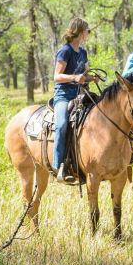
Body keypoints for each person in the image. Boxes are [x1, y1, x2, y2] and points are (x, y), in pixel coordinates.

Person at [52, 17, 98, 183]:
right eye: (87, 30)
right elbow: (56, 77)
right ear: (79, 31)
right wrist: (74, 77)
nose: (88, 33)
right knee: (62, 124)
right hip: (64, 95)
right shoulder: (65, 51)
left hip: (81, 94)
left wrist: (92, 78)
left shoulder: (83, 52)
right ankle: (58, 165)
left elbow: (84, 76)